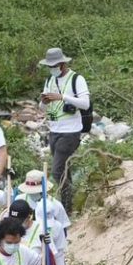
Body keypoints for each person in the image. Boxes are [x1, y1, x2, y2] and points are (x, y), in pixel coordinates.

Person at [38, 47, 90, 213]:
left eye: (54, 66)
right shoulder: (49, 80)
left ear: (62, 64)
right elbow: (42, 109)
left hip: (71, 132)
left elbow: (85, 104)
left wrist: (62, 97)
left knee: (57, 170)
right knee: (65, 169)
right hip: (54, 130)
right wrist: (44, 102)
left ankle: (66, 207)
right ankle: (70, 204)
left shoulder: (77, 79)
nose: (51, 69)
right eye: (49, 66)